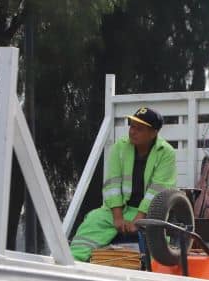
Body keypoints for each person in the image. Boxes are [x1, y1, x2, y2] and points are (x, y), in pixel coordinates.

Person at [70, 106, 177, 262]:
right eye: (131, 126)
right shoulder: (119, 147)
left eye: (139, 128)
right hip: (119, 210)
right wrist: (118, 217)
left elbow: (158, 190)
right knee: (94, 219)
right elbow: (112, 185)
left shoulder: (166, 152)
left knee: (156, 238)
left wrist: (139, 220)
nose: (132, 131)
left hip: (150, 213)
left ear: (154, 133)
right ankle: (73, 262)